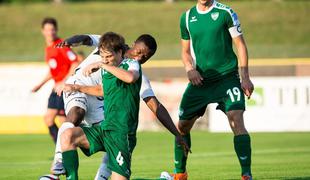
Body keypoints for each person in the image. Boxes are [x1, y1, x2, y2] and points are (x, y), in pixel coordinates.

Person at [42, 32, 188, 180]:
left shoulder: (132, 65)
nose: (139, 58)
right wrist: (76, 85)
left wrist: (176, 133)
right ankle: (61, 161)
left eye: (145, 57)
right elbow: (101, 88)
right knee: (69, 131)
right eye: (138, 52)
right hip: (102, 121)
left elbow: (148, 97)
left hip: (121, 132)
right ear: (130, 46)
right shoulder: (111, 49)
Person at [171, 0, 254, 180]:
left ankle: (246, 174)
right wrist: (189, 69)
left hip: (227, 78)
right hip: (201, 80)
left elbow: (240, 45)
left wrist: (245, 77)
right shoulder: (186, 17)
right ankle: (180, 173)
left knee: (236, 119)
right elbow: (185, 52)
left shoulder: (226, 12)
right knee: (182, 126)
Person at [31, 17, 78, 144]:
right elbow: (52, 71)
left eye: (52, 29)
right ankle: (63, 147)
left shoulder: (61, 45)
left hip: (64, 87)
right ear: (43, 31)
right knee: (49, 119)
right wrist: (40, 85)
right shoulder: (48, 48)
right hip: (56, 87)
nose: (50, 32)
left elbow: (75, 63)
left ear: (56, 30)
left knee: (62, 122)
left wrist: (63, 81)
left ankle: (65, 148)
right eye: (47, 29)